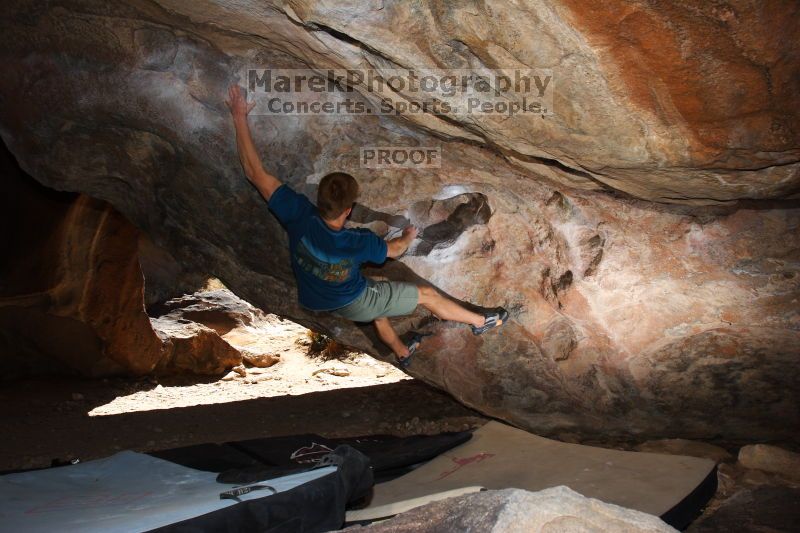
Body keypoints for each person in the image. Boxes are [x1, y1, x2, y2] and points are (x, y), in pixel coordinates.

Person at [226, 85, 507, 366]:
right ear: (348, 210)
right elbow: (394, 250)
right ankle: (480, 320)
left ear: (319, 199)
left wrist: (238, 115)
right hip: (350, 299)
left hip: (314, 296)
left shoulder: (298, 216)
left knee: (379, 293)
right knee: (425, 294)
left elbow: (254, 172)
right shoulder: (357, 242)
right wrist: (409, 236)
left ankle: (402, 351)